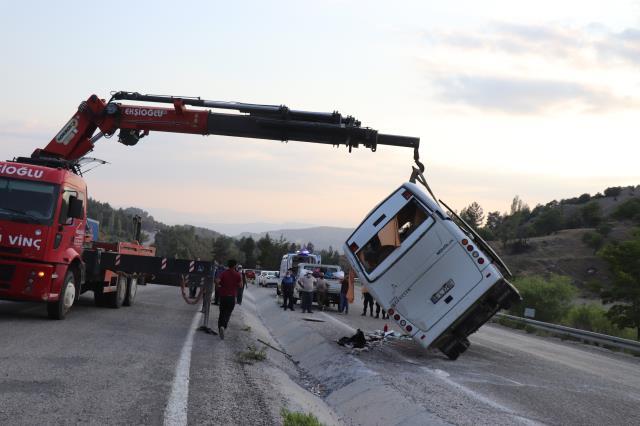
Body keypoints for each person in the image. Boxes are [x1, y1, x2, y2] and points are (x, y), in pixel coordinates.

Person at [215, 259, 242, 339]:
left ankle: (220, 327)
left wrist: (219, 286)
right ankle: (224, 326)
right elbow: (240, 285)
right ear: (234, 266)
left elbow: (217, 281)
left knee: (222, 312)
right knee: (228, 313)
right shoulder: (237, 275)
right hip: (232, 297)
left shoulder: (224, 273)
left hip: (223, 296)